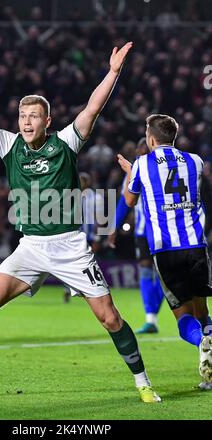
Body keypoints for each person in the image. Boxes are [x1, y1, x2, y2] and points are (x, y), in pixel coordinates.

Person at [0, 42, 161, 403]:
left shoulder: (66, 142)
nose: (26, 122)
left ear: (47, 121)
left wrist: (112, 73)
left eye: (34, 116)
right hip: (31, 247)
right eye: (23, 116)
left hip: (69, 246)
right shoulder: (9, 144)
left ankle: (143, 382)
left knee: (110, 318)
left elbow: (92, 108)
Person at [118, 113, 212, 389]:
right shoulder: (196, 161)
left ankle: (203, 342)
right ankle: (209, 368)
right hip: (196, 246)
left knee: (184, 318)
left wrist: (130, 174)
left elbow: (130, 199)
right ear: (174, 137)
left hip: (166, 249)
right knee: (202, 312)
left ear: (150, 139)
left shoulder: (142, 165)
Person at [109, 138, 164, 334]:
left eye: (143, 147)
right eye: (139, 147)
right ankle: (151, 318)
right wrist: (114, 226)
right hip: (143, 231)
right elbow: (125, 201)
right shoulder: (133, 171)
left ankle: (153, 316)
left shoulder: (159, 168)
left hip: (163, 230)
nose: (140, 150)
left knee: (164, 276)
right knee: (146, 270)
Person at [63, 172, 104, 303]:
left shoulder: (96, 197)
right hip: (73, 235)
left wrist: (97, 238)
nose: (81, 182)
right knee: (70, 261)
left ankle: (91, 289)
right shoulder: (70, 196)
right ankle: (69, 288)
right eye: (79, 179)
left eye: (84, 180)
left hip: (90, 236)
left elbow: (100, 219)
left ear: (88, 182)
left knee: (89, 262)